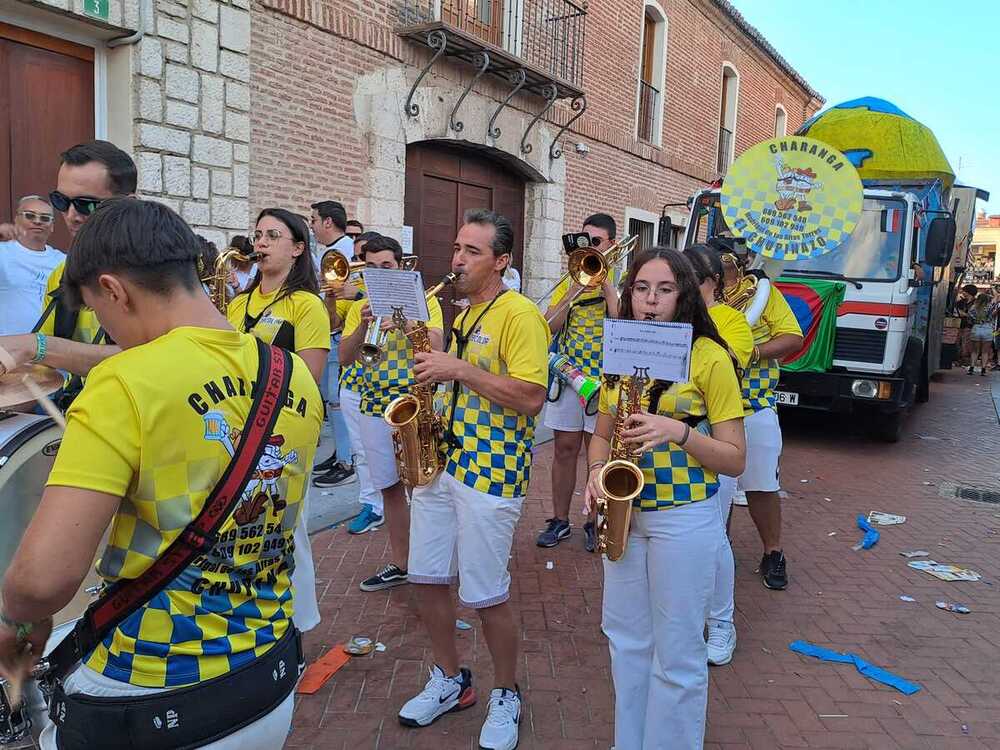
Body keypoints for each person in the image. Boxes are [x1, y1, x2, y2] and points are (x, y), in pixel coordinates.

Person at [0, 198, 323, 749]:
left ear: (115, 289)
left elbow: (41, 582)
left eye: (98, 312)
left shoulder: (125, 381)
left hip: (149, 688)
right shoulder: (290, 372)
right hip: (265, 677)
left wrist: (15, 621)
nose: (106, 328)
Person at [583, 247, 745, 750]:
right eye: (641, 289)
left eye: (664, 290)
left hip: (685, 516)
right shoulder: (620, 347)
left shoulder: (710, 356)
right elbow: (601, 431)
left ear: (685, 296)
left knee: (677, 655)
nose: (650, 302)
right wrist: (593, 471)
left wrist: (678, 431)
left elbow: (735, 458)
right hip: (625, 513)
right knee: (626, 643)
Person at [398, 209, 548, 750]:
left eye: (472, 252)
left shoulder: (520, 314)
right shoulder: (459, 308)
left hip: (492, 470)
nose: (457, 259)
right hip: (440, 462)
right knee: (426, 577)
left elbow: (531, 397)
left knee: (486, 593)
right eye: (457, 247)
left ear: (502, 261)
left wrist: (457, 369)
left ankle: (505, 692)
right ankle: (449, 679)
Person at [227, 208, 331, 634]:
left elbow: (309, 376)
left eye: (273, 235)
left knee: (288, 532)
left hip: (283, 429)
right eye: (258, 234)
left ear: (298, 248)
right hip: (237, 426)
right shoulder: (236, 304)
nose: (261, 243)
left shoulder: (307, 305)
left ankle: (299, 626)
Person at [340, 235, 444, 591]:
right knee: (388, 487)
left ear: (401, 266)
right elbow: (344, 357)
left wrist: (405, 323)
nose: (380, 273)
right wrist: (360, 325)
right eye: (372, 267)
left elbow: (438, 345)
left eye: (387, 266)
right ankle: (402, 562)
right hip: (372, 405)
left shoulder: (424, 299)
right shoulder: (361, 305)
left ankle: (433, 561)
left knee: (424, 486)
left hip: (412, 403)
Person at [0, 141, 136, 388]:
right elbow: (46, 365)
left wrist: (35, 346)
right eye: (61, 201)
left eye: (87, 204)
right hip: (76, 407)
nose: (72, 215)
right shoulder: (61, 274)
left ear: (128, 204)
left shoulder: (154, 271)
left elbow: (150, 354)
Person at [684, 244, 753, 667]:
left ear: (708, 283)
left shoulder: (731, 322)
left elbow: (730, 362)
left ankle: (721, 621)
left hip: (714, 441)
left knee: (713, 537)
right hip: (662, 450)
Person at [720, 251, 802, 590]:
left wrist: (750, 351)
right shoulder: (693, 292)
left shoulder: (761, 293)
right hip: (707, 407)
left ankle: (773, 551)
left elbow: (793, 338)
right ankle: (716, 551)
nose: (725, 268)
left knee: (762, 485)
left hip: (754, 403)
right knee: (714, 490)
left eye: (730, 263)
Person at [539, 213, 621, 552]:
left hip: (605, 381)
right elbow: (549, 327)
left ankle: (594, 520)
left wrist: (605, 285)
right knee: (564, 449)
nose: (590, 247)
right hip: (570, 378)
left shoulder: (625, 279)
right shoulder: (570, 278)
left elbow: (623, 325)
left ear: (612, 245)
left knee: (597, 452)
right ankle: (560, 520)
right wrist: (575, 286)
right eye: (585, 240)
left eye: (597, 242)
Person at [321, 232, 385, 531]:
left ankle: (394, 504)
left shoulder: (366, 291)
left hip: (391, 390)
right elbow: (334, 326)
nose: (360, 267)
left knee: (390, 455)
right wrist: (332, 300)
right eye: (361, 260)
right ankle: (372, 504)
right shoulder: (354, 290)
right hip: (354, 385)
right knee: (361, 452)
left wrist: (360, 296)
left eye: (364, 260)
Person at [310, 200, 358, 480]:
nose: (312, 225)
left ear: (328, 222)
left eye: (314, 219)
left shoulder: (342, 251)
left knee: (337, 400)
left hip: (340, 332)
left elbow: (344, 295)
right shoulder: (333, 250)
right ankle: (341, 452)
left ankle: (347, 461)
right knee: (332, 400)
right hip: (330, 328)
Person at [0, 196, 64, 336]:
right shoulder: (3, 252)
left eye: (45, 218)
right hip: (8, 347)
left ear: (52, 226)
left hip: (48, 349)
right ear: (16, 219)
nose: (37, 221)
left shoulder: (63, 261)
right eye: (30, 216)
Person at [968, 292, 993, 376]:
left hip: (976, 328)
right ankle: (983, 370)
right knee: (985, 352)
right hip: (987, 328)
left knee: (975, 351)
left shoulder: (973, 308)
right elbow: (993, 316)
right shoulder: (990, 307)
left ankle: (971, 368)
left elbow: (970, 319)